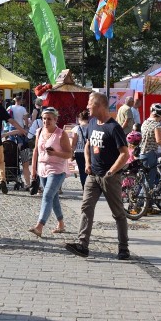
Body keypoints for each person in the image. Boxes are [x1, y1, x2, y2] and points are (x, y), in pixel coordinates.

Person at [65, 91, 130, 260]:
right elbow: (87, 145)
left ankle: (123, 248)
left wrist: (111, 171)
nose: (86, 107)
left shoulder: (114, 128)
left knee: (118, 213)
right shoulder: (92, 123)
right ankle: (82, 245)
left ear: (99, 105)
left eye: (89, 104)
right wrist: (87, 163)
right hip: (93, 175)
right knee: (86, 208)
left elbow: (125, 154)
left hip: (110, 177)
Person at [29, 107, 73, 236]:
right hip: (42, 168)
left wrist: (55, 153)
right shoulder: (39, 131)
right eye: (44, 118)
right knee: (53, 198)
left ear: (55, 119)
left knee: (47, 195)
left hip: (57, 169)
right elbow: (36, 151)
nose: (46, 121)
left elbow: (69, 153)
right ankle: (61, 224)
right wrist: (33, 169)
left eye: (49, 119)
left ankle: (39, 226)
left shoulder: (61, 134)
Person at [69, 110, 91, 188]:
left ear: (79, 119)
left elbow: (73, 143)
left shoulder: (76, 129)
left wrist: (71, 153)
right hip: (90, 152)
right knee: (90, 171)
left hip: (79, 152)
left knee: (82, 172)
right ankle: (91, 188)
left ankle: (84, 188)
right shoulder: (91, 127)